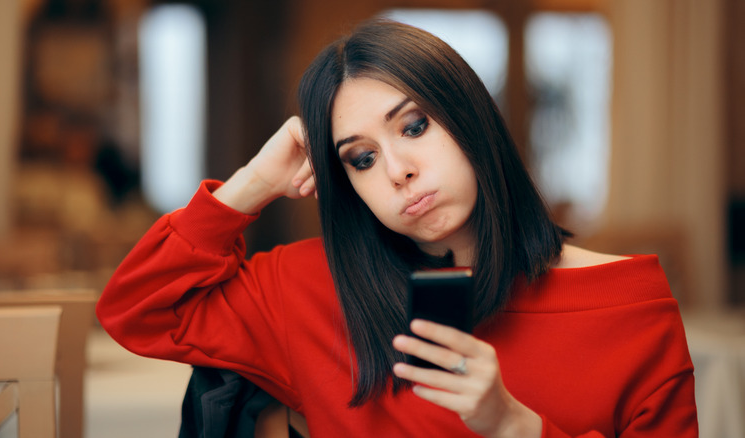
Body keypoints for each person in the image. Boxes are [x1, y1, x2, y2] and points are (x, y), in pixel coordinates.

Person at [97, 19, 698, 437]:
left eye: (413, 127)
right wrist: (252, 182)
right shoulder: (305, 289)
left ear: (470, 119)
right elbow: (137, 310)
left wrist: (513, 426)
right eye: (360, 159)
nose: (399, 171)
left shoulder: (632, 310)